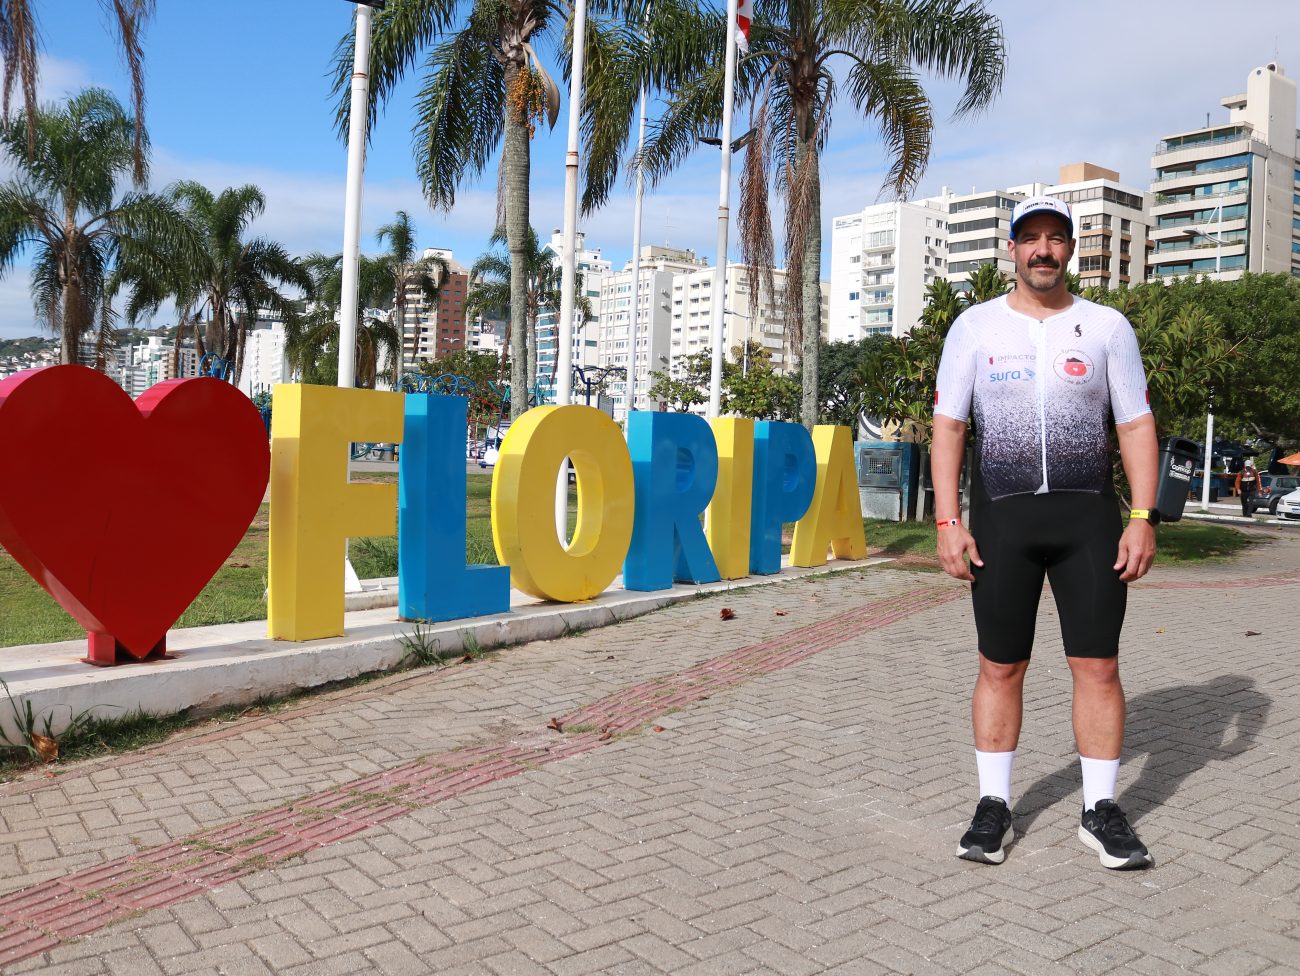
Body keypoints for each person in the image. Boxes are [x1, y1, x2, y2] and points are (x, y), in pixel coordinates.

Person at [932, 195, 1159, 870]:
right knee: (1000, 665)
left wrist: (1143, 518)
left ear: (1070, 250)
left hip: (1088, 521)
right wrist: (948, 521)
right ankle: (994, 806)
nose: (1042, 250)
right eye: (1029, 238)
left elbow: (1136, 426)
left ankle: (1100, 809)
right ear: (1011, 249)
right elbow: (949, 426)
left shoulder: (1108, 327)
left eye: (1055, 239)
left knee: (1098, 664)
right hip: (1003, 523)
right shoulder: (974, 328)